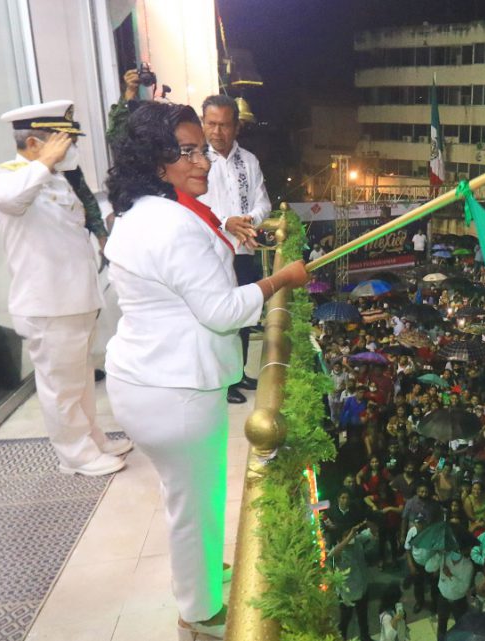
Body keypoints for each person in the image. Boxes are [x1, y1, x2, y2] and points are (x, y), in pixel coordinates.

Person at [103, 102, 308, 637]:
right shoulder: (171, 224)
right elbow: (220, 311)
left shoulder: (145, 211)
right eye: (186, 151)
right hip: (176, 389)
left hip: (146, 378)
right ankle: (202, 611)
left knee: (187, 499)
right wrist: (279, 279)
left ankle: (201, 578)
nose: (204, 160)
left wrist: (226, 229)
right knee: (194, 506)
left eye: (201, 149)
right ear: (154, 160)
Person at [0, 100, 131, 476]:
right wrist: (43, 162)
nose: (72, 149)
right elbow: (9, 199)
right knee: (60, 388)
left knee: (80, 381)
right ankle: (75, 455)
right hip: (47, 304)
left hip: (76, 299)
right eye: (64, 141)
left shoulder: (55, 180)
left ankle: (91, 439)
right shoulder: (5, 178)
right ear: (35, 143)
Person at [198, 94, 272, 404]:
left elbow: (264, 202)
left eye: (225, 125)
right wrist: (227, 221)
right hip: (210, 252)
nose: (217, 132)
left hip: (243, 250)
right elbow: (194, 204)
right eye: (211, 124)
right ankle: (223, 382)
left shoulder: (249, 161)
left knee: (242, 316)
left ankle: (238, 372)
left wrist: (248, 220)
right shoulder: (194, 160)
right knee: (218, 318)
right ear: (203, 124)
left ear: (236, 126)